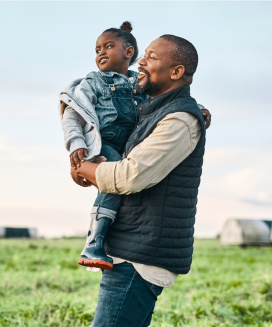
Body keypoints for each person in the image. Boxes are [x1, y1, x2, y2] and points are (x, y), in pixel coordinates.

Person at [70, 34, 208, 326]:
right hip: (132, 248)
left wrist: (85, 169)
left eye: (152, 57)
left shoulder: (179, 119)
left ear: (177, 72)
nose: (141, 62)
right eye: (143, 54)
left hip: (140, 256)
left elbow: (130, 175)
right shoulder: (153, 111)